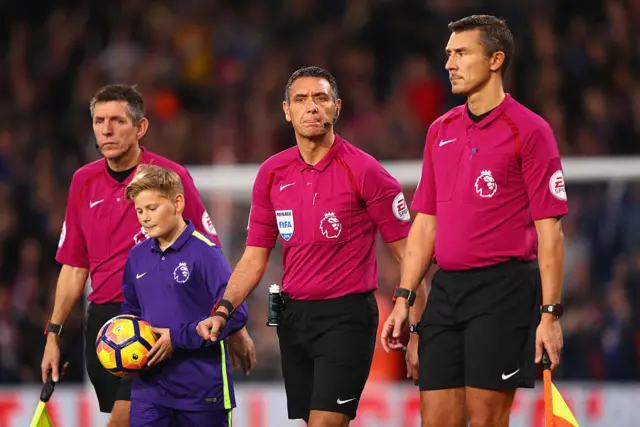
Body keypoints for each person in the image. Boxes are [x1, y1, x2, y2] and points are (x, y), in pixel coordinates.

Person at [196, 65, 426, 427]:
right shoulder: (272, 173)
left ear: (337, 107)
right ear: (287, 111)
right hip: (295, 318)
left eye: (320, 98)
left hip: (347, 316)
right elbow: (254, 257)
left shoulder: (366, 171)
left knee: (324, 424)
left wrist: (417, 331)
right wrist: (222, 310)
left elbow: (410, 253)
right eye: (301, 100)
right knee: (313, 422)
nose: (311, 107)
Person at [381, 15, 567, 427]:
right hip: (446, 291)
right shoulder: (439, 131)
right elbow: (425, 224)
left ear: (496, 59)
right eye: (448, 54)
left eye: (461, 53)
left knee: (485, 420)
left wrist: (550, 315)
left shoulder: (530, 131)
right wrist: (404, 298)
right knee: (437, 421)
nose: (449, 63)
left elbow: (550, 231)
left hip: (503, 290)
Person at [40, 84, 255, 427]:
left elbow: (208, 250)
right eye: (99, 121)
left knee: (125, 419)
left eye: (116, 120)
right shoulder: (83, 181)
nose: (106, 129)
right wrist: (53, 335)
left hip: (160, 318)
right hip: (110, 323)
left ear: (140, 128)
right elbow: (74, 268)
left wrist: (233, 326)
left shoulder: (172, 179)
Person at [121, 164, 248, 427]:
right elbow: (131, 312)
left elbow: (237, 313)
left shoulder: (205, 253)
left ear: (178, 203)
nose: (144, 217)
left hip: (201, 392)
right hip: (149, 390)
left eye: (152, 208)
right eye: (139, 210)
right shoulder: (136, 257)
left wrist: (177, 338)